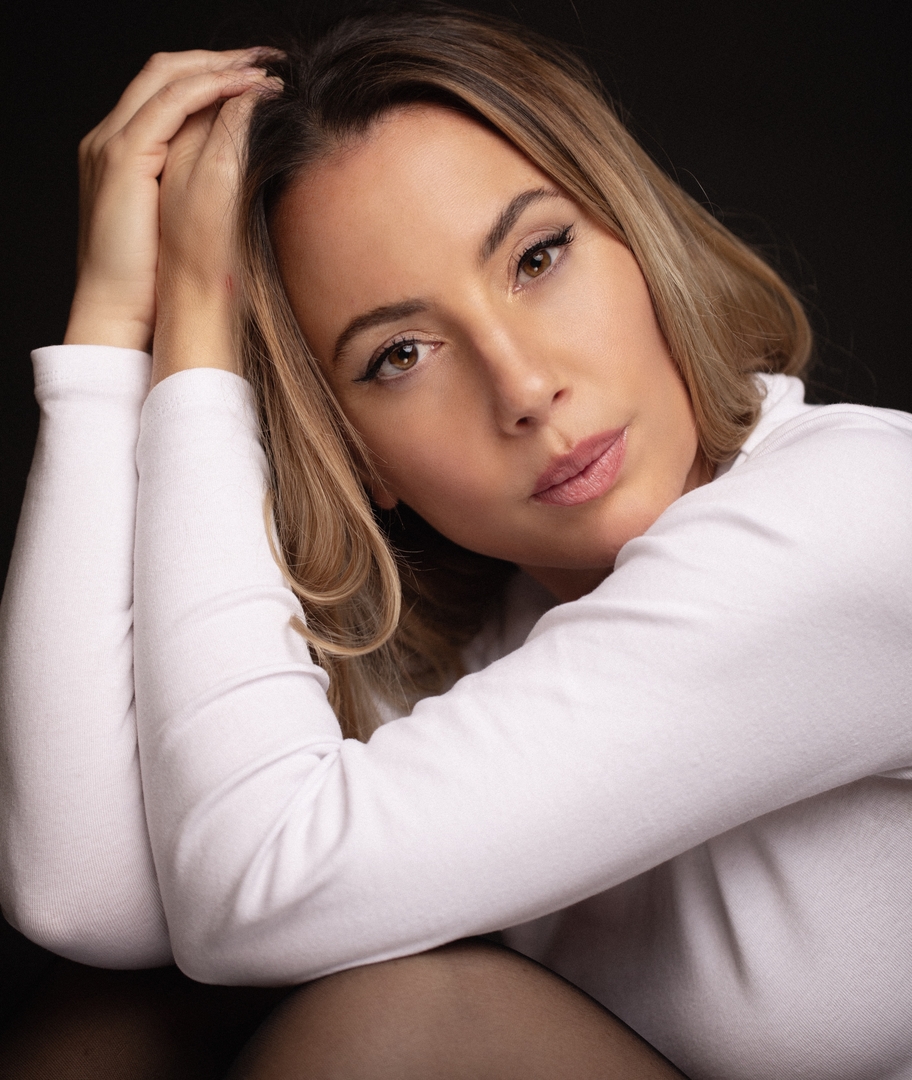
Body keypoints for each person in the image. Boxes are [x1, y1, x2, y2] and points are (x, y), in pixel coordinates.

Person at [1, 3, 911, 1077]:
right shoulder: (481, 627)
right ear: (358, 458)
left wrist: (199, 307)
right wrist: (117, 330)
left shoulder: (855, 512)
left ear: (637, 240)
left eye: (539, 257)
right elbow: (86, 899)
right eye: (400, 354)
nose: (523, 386)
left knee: (405, 1025)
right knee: (110, 1025)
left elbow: (251, 889)